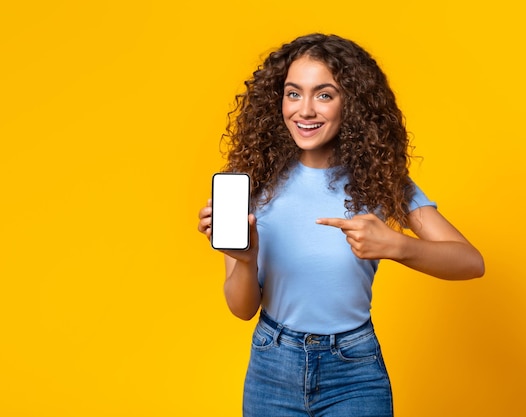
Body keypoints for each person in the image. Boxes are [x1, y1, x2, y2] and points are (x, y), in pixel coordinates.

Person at [197, 33, 484, 417]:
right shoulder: (255, 182)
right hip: (272, 368)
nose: (305, 110)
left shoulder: (382, 181)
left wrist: (396, 245)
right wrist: (245, 259)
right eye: (293, 93)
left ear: (352, 104)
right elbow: (242, 308)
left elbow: (470, 262)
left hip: (354, 371)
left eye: (325, 94)